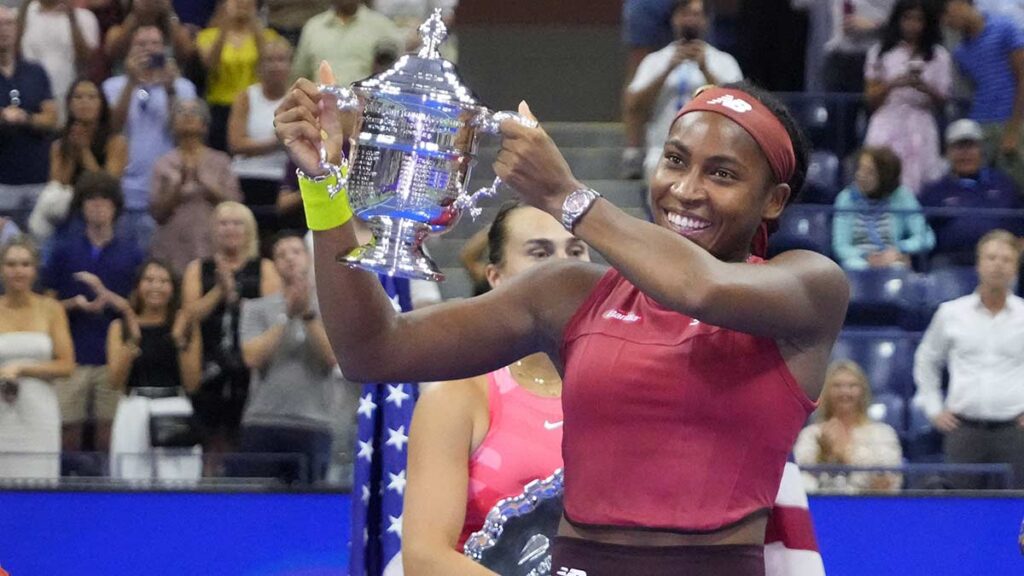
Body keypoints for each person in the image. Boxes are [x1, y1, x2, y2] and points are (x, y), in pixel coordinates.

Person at [276, 60, 848, 573]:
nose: (686, 190)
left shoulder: (808, 288)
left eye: (722, 174)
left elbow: (696, 286)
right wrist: (323, 186)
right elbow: (372, 350)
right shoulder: (569, 293)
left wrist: (566, 196)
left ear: (773, 200)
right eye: (675, 160)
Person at [402, 202, 589, 574]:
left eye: (576, 250)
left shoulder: (622, 390)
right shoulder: (459, 397)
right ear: (496, 277)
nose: (564, 265)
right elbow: (424, 560)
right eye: (540, 252)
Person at [42, 171, 143, 456]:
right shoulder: (64, 252)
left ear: (116, 207)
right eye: (91, 200)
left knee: (108, 431)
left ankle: (105, 489)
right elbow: (46, 308)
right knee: (68, 428)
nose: (98, 206)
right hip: (71, 353)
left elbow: (138, 308)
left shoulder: (131, 254)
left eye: (104, 200)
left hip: (111, 355)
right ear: (81, 207)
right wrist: (73, 303)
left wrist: (108, 298)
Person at [912, 230, 1024, 489]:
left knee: (1017, 510)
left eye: (1006, 259)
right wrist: (933, 408)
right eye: (991, 257)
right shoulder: (951, 313)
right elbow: (926, 359)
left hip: (1015, 432)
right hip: (964, 431)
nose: (998, 264)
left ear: (1016, 267)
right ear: (978, 263)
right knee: (962, 510)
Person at [233, 231, 338, 484]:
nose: (290, 259)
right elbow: (252, 358)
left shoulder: (331, 307)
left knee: (308, 508)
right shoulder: (255, 308)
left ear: (309, 257)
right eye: (281, 255)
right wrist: (286, 316)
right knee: (257, 508)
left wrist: (308, 316)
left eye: (296, 252)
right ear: (274, 265)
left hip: (313, 423)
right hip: (263, 421)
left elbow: (334, 358)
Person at [181, 201, 279, 459]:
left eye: (237, 223)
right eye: (224, 223)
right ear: (214, 230)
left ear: (249, 230)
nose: (230, 229)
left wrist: (236, 297)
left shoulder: (265, 268)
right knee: (209, 437)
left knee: (241, 439)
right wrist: (220, 290)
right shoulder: (197, 269)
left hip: (249, 362)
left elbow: (273, 314)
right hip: (208, 361)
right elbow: (190, 315)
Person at [623, 0, 743, 181]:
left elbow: (738, 107)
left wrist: (706, 70)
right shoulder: (655, 61)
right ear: (674, 19)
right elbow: (634, 105)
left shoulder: (724, 62)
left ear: (706, 20)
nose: (691, 20)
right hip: (661, 151)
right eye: (685, 14)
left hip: (712, 153)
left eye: (696, 14)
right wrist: (666, 70)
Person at [102, 24, 198, 248]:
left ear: (165, 49)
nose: (148, 49)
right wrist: (131, 83)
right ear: (129, 50)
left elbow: (182, 133)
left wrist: (169, 89)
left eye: (155, 44)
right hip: (127, 191)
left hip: (168, 190)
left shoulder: (184, 88)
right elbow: (113, 128)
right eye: (141, 44)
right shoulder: (112, 86)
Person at [107, 259, 202, 480]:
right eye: (149, 280)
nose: (156, 287)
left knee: (178, 482)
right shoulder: (119, 327)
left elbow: (192, 383)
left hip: (174, 405)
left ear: (173, 287)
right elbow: (114, 382)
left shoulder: (186, 325)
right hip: (133, 405)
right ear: (138, 286)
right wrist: (133, 342)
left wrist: (179, 340)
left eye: (163, 281)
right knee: (130, 480)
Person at [0, 235, 75, 479]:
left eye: (25, 264)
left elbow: (66, 365)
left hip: (39, 410)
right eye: (11, 264)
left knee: (39, 482)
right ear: (2, 269)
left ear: (34, 270)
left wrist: (21, 368)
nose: (18, 271)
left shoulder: (51, 309)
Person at [863, 0, 952, 193]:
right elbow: (870, 98)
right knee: (882, 176)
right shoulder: (880, 53)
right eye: (907, 18)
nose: (912, 24)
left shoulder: (939, 55)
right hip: (887, 120)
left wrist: (924, 87)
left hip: (922, 122)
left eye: (919, 19)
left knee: (924, 182)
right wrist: (894, 83)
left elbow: (944, 100)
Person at [149, 98, 242, 274]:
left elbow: (236, 206)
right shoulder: (163, 163)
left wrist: (209, 187)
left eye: (194, 113)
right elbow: (156, 212)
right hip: (172, 245)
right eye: (181, 113)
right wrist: (177, 188)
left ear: (205, 125)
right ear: (173, 124)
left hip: (213, 243)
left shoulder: (220, 161)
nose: (188, 117)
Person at [941, 0, 1024, 190]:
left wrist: (1013, 128)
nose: (947, 21)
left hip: (1013, 122)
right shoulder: (961, 52)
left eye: (947, 12)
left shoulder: (1006, 28)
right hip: (980, 126)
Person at [920, 119, 1024, 267]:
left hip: (1000, 261)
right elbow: (921, 232)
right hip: (951, 262)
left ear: (981, 149)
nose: (965, 154)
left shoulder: (1004, 184)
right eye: (959, 147)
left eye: (970, 146)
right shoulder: (934, 191)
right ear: (947, 152)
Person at [794, 360, 903, 493]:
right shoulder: (811, 434)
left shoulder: (883, 433)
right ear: (826, 391)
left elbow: (888, 484)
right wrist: (823, 456)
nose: (845, 392)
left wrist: (846, 457)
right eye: (837, 386)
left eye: (852, 386)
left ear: (863, 391)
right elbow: (799, 482)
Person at [196, 0, 282, 152]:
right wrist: (224, 25)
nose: (241, 3)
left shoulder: (269, 36)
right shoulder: (207, 36)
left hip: (254, 104)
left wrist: (254, 23)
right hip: (220, 105)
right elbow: (210, 64)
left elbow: (268, 61)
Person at [832, 147, 935, 270]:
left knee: (898, 267)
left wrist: (899, 249)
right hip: (858, 260)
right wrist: (866, 256)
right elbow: (841, 246)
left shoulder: (902, 196)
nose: (860, 175)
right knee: (854, 266)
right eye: (860, 168)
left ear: (885, 177)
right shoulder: (845, 198)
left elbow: (926, 238)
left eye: (869, 172)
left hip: (891, 259)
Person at [0, 5, 58, 217]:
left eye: (8, 24)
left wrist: (25, 118)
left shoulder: (35, 71)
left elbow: (51, 118)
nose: (3, 30)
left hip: (37, 181)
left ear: (18, 30)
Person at [227, 37, 290, 232]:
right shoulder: (246, 97)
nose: (275, 66)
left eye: (281, 60)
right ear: (259, 66)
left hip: (283, 179)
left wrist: (261, 145)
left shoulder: (298, 98)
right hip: (247, 177)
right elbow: (236, 144)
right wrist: (277, 141)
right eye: (269, 60)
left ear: (290, 65)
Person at [17, 0, 100, 124]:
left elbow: (86, 58)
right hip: (31, 92)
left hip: (67, 91)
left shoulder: (85, 17)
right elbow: (15, 49)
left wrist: (71, 16)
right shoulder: (27, 12)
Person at [290, 0, 403, 87]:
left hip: (363, 108)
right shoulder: (313, 27)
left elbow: (396, 74)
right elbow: (300, 74)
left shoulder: (383, 26)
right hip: (321, 107)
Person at [49, 78, 128, 187]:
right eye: (78, 97)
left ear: (102, 104)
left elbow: (108, 186)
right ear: (69, 104)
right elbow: (57, 186)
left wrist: (84, 151)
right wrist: (71, 149)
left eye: (92, 97)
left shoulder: (116, 142)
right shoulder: (58, 145)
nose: (84, 102)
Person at [822, 0, 896, 93]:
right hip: (837, 56)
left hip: (871, 57)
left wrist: (874, 24)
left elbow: (900, 18)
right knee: (833, 103)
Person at [103, 0, 194, 69]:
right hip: (127, 86)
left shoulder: (177, 31)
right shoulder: (116, 31)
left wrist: (169, 12)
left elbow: (187, 56)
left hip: (166, 85)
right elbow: (113, 53)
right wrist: (135, 14)